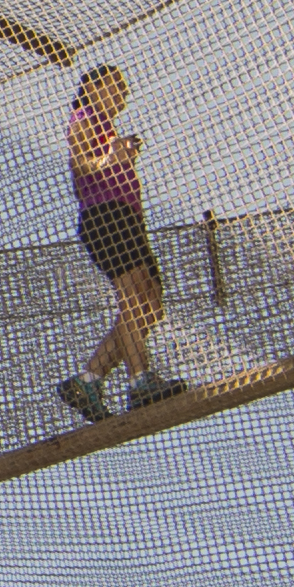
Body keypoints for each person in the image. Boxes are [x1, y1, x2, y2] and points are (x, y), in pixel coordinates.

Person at [57, 63, 181, 421]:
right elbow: (80, 166)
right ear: (93, 88)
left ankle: (89, 379)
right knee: (133, 299)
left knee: (151, 302)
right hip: (105, 216)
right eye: (116, 85)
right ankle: (139, 379)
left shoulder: (107, 126)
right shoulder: (84, 117)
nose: (123, 93)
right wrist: (110, 158)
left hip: (127, 219)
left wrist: (120, 155)